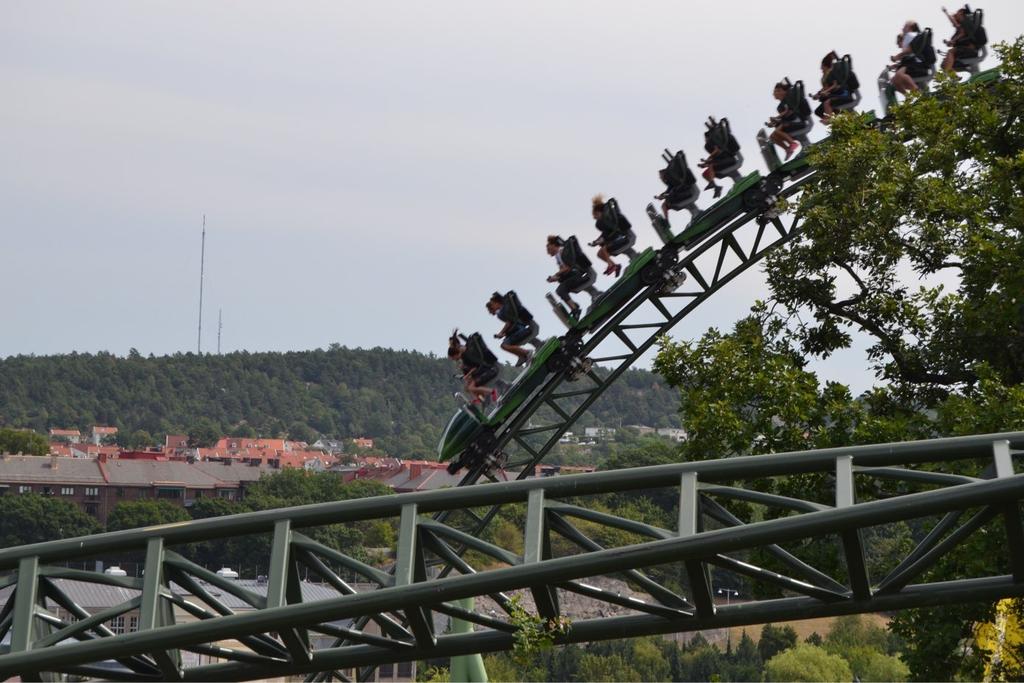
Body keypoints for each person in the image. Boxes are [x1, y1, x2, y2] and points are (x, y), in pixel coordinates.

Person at [546, 234, 601, 319]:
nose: (548, 252)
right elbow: (565, 272)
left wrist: (555, 275)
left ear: (554, 245)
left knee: (560, 290)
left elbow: (567, 268)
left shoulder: (560, 252)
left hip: (578, 274)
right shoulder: (559, 255)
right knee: (562, 285)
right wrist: (556, 278)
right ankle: (583, 300)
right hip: (577, 274)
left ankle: (575, 308)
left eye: (548, 248)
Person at [486, 291, 541, 367]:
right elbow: (513, 324)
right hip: (533, 326)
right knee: (510, 337)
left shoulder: (501, 313)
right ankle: (537, 345)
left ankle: (527, 353)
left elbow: (509, 323)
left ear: (496, 303)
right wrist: (505, 333)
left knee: (504, 345)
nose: (491, 312)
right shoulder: (508, 307)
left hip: (528, 329)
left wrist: (501, 333)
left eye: (491, 306)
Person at [447, 330, 500, 405]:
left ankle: (492, 392)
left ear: (456, 353)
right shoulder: (463, 357)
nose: (454, 360)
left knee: (471, 387)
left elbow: (475, 366)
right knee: (467, 387)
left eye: (453, 358)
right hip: (482, 370)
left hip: (488, 369)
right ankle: (481, 398)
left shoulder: (466, 355)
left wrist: (468, 375)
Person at [590, 194, 635, 278]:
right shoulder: (606, 220)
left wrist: (602, 240)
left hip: (625, 236)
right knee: (599, 254)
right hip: (619, 237)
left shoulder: (606, 219)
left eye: (595, 215)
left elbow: (611, 232)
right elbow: (606, 234)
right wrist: (597, 241)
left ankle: (611, 265)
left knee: (604, 249)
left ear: (599, 212)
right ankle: (615, 265)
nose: (594, 218)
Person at [697, 117, 741, 199]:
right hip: (723, 162)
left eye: (706, 138)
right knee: (705, 174)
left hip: (729, 159)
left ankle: (713, 184)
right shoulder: (711, 145)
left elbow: (717, 151)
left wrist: (707, 160)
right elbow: (714, 159)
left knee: (711, 165)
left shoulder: (716, 143)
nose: (705, 140)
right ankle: (715, 186)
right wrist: (704, 164)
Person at [765, 80, 809, 160]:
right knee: (772, 137)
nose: (774, 94)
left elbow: (788, 113)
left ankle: (793, 143)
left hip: (798, 121)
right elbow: (784, 117)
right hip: (789, 123)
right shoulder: (780, 106)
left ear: (782, 91)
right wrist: (773, 122)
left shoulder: (787, 101)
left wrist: (776, 118)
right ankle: (788, 150)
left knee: (778, 130)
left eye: (776, 91)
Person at [812, 52, 856, 123]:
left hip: (842, 94)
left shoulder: (832, 73)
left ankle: (829, 119)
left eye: (822, 66)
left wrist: (825, 92)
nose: (821, 68)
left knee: (827, 103)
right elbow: (825, 88)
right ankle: (834, 121)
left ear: (825, 66)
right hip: (834, 94)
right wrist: (818, 94)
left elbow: (835, 85)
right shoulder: (824, 77)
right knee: (818, 111)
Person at [655, 149, 699, 219]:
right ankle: (666, 221)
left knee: (671, 201)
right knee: (666, 204)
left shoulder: (674, 178)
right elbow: (670, 189)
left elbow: (675, 189)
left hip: (690, 192)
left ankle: (695, 212)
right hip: (685, 193)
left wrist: (668, 195)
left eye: (661, 177)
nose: (661, 179)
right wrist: (662, 195)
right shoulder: (671, 181)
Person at [941, 5, 984, 72]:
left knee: (950, 52)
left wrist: (946, 12)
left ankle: (950, 76)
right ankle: (955, 78)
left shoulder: (965, 22)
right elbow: (958, 36)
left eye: (957, 14)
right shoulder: (960, 28)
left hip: (970, 50)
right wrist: (950, 42)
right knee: (944, 64)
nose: (955, 19)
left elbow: (960, 30)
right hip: (964, 49)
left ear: (961, 13)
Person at [888, 21, 927, 95]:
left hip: (916, 64)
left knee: (899, 75)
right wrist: (896, 65)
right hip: (913, 63)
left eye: (905, 26)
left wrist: (896, 58)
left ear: (910, 27)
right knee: (894, 80)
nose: (902, 28)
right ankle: (908, 97)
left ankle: (917, 91)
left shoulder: (909, 35)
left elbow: (908, 51)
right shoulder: (911, 36)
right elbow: (907, 56)